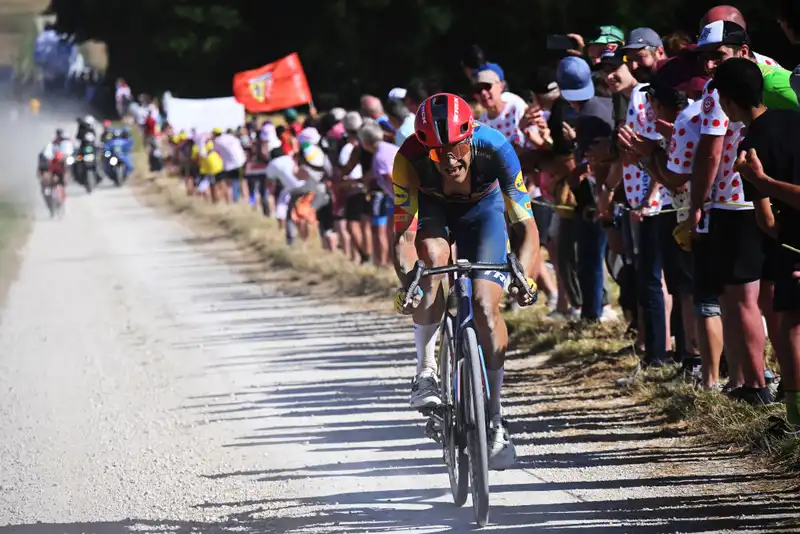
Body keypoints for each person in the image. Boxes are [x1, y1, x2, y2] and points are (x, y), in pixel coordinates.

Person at [393, 93, 540, 470]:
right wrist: (408, 280)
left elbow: (525, 224)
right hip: (434, 214)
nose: (448, 160)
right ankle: (425, 370)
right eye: (436, 152)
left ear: (470, 135)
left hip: (484, 214)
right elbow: (404, 237)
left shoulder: (496, 148)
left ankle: (495, 419)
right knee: (432, 263)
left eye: (455, 148)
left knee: (485, 307)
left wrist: (525, 276)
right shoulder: (408, 158)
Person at [721, 57, 800, 428]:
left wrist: (783, 236)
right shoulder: (793, 118)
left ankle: (795, 420)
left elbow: (766, 219)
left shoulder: (750, 146)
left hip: (794, 245)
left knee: (789, 328)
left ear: (727, 101)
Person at [358, 121, 399, 267]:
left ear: (365, 142)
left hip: (405, 199)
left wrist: (403, 203)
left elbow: (392, 178)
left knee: (397, 235)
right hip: (405, 197)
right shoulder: (388, 148)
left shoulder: (380, 157)